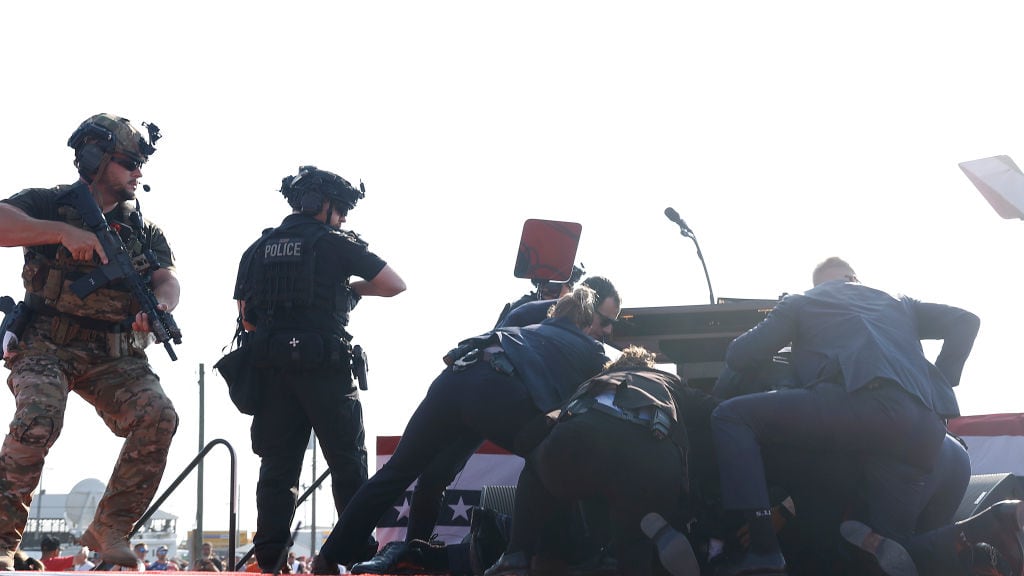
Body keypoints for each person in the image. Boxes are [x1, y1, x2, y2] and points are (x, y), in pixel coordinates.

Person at [708, 256, 979, 575]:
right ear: (855, 278)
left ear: (822, 284)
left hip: (857, 405)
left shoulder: (804, 300)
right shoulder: (898, 301)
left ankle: (764, 550)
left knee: (731, 416)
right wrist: (939, 384)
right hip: (922, 429)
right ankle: (978, 534)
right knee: (891, 549)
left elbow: (739, 356)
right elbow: (967, 321)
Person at [314, 286, 610, 573]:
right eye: (605, 323)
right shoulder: (591, 349)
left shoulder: (530, 325)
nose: (607, 331)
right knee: (545, 460)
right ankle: (524, 555)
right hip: (495, 393)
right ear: (584, 324)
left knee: (396, 472)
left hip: (455, 377)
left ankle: (329, 556)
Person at [0, 113, 179, 570]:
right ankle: (1, 537)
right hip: (46, 343)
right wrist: (61, 232)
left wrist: (158, 306)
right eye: (128, 162)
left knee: (158, 415)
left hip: (114, 353)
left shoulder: (142, 228)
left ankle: (110, 526)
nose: (138, 172)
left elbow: (167, 278)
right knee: (38, 418)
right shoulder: (48, 202)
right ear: (96, 158)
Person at [233, 166, 406, 572]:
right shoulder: (335, 244)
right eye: (341, 209)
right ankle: (357, 556)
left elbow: (246, 317)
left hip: (272, 369)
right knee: (348, 465)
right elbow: (394, 284)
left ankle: (271, 560)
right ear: (319, 205)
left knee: (277, 469)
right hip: (326, 369)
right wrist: (350, 289)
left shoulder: (258, 249)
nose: (344, 217)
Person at [484, 345, 698, 576]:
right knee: (635, 536)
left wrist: (534, 452)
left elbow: (529, 438)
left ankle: (518, 554)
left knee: (538, 468)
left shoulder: (596, 381)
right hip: (650, 459)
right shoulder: (667, 380)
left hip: (581, 440)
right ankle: (630, 548)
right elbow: (715, 410)